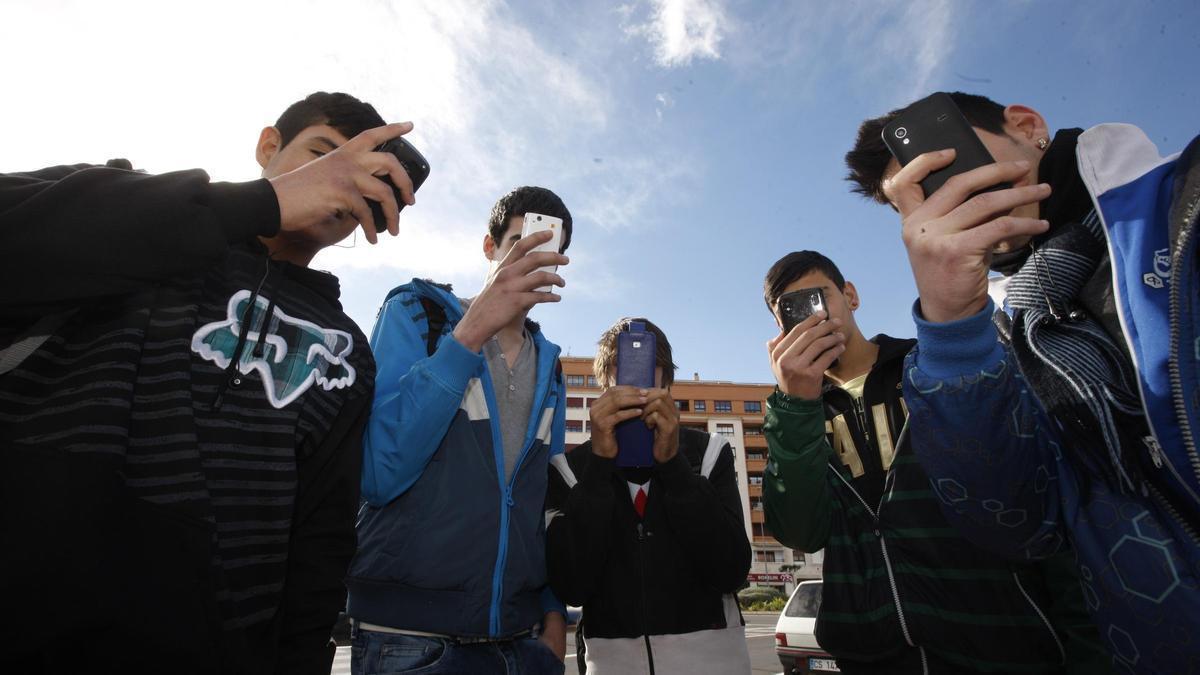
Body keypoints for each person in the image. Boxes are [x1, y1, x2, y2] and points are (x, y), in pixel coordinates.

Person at [0, 91, 417, 673]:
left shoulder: (347, 351)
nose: (339, 181)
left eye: (364, 174)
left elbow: (321, 536)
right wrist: (255, 205)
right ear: (268, 146)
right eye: (322, 155)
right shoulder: (134, 216)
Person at [844, 91, 1200, 672]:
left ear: (1028, 127)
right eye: (911, 198)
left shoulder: (1184, 203)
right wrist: (953, 325)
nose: (939, 199)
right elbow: (1015, 525)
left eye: (941, 165)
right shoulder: (994, 332)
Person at [761, 250, 1108, 674]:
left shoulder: (933, 367)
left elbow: (1036, 493)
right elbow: (802, 531)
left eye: (819, 298)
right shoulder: (790, 415)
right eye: (792, 313)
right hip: (871, 657)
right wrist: (796, 406)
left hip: (1001, 642)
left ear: (850, 296)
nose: (811, 320)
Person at [347, 186, 573, 674]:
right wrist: (468, 334)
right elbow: (378, 472)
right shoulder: (417, 312)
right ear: (489, 247)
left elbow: (547, 500)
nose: (532, 259)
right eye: (519, 243)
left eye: (547, 249)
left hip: (522, 637)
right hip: (410, 639)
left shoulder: (552, 366)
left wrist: (553, 607)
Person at [545, 317, 752, 675]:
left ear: (667, 381)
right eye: (619, 369)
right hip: (610, 662)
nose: (634, 381)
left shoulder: (709, 452)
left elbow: (731, 570)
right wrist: (599, 468)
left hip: (713, 660)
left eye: (648, 368)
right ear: (604, 383)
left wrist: (674, 467)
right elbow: (571, 586)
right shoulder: (569, 469)